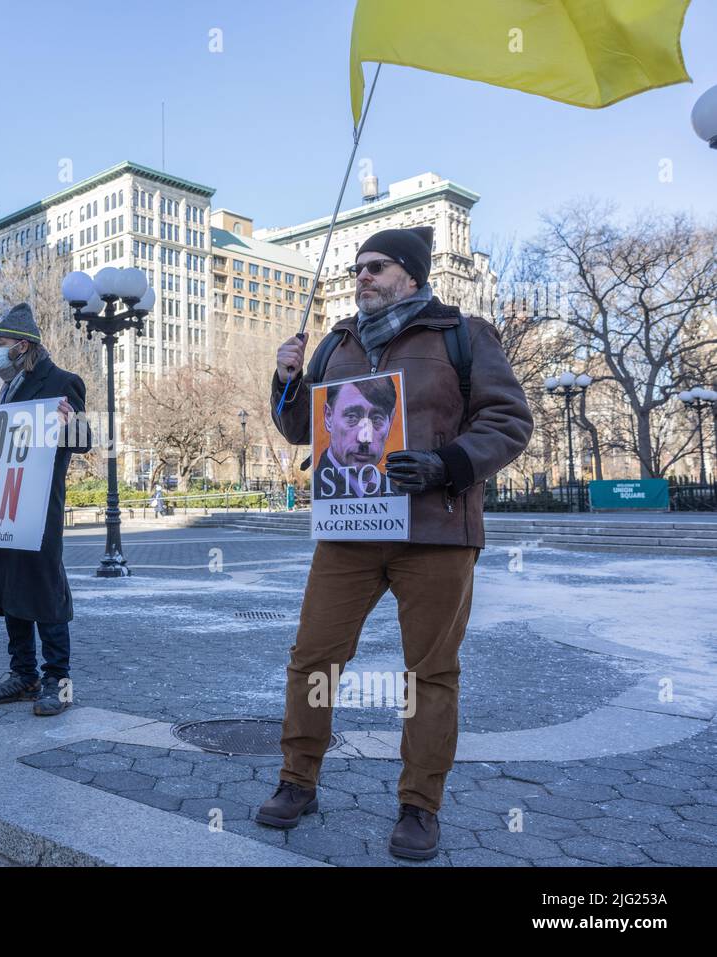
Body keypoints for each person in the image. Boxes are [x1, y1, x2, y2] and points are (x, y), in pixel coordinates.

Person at [259, 226, 534, 860]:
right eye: (357, 268)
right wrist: (286, 380)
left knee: (429, 673)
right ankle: (297, 781)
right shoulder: (336, 344)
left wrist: (448, 464)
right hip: (351, 531)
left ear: (411, 275)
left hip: (436, 533)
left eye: (376, 266)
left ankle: (419, 806)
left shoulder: (462, 335)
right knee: (313, 659)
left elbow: (509, 419)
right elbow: (302, 429)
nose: (362, 277)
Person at [0, 303, 92, 716]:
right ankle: (23, 674)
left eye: (1, 344)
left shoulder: (62, 382)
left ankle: (58, 678)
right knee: (9, 587)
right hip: (3, 505)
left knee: (42, 587)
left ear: (22, 345)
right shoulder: (6, 388)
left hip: (38, 505)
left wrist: (70, 421)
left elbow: (83, 439)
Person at [313, 376, 397, 499]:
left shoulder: (398, 493)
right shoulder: (316, 493)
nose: (365, 438)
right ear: (328, 416)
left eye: (376, 419)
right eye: (352, 417)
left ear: (391, 421)